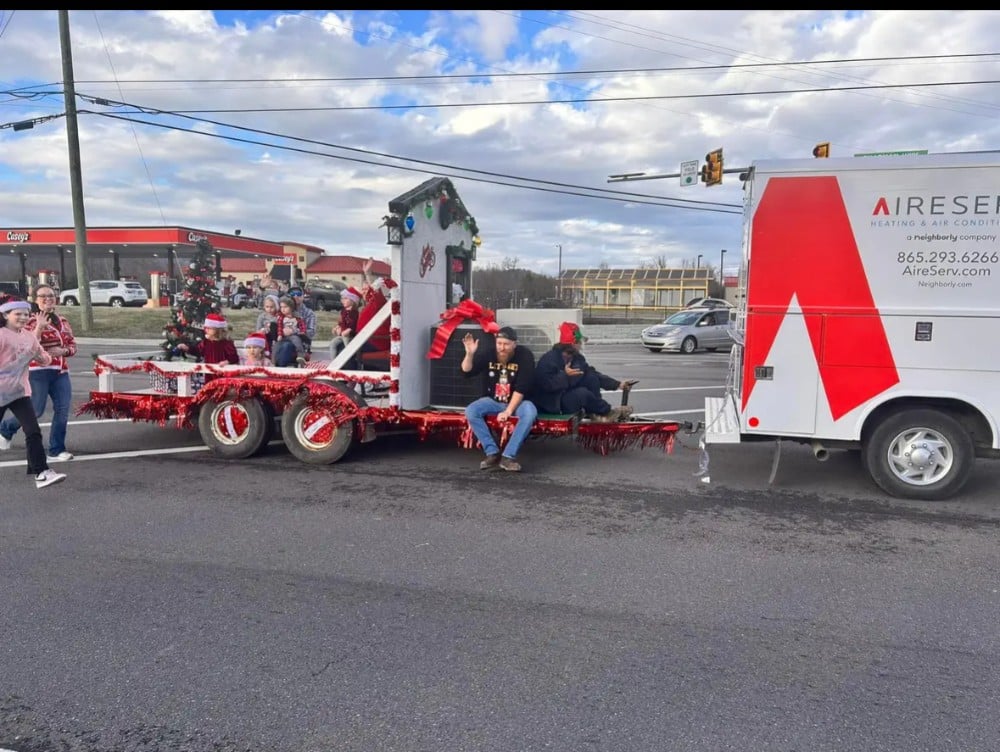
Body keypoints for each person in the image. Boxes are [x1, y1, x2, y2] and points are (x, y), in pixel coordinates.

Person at [0, 285, 77, 461]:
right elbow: (26, 345)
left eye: (51, 295)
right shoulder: (27, 319)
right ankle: (6, 429)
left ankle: (57, 449)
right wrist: (40, 328)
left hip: (60, 371)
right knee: (35, 410)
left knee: (63, 410)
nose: (48, 299)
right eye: (43, 296)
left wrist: (64, 352)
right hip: (37, 371)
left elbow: (72, 345)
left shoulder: (62, 321)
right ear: (35, 299)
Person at [0, 299, 66, 488]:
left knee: (33, 431)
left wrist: (45, 355)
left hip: (19, 392)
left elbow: (43, 358)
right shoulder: (2, 336)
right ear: (5, 315)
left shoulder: (29, 336)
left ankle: (42, 472)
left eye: (25, 314)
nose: (22, 317)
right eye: (17, 314)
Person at [461, 325, 537, 472]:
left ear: (515, 344)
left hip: (517, 402)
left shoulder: (524, 356)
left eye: (506, 344)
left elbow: (522, 388)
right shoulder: (489, 354)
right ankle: (492, 452)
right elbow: (466, 372)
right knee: (472, 410)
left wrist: (508, 411)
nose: (502, 348)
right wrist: (469, 354)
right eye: (499, 343)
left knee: (529, 412)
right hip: (494, 400)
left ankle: (508, 456)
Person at [533, 321, 636, 422]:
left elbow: (592, 374)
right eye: (579, 342)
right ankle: (606, 412)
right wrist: (564, 375)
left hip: (565, 395)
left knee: (591, 378)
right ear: (573, 344)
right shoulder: (549, 359)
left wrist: (618, 384)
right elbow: (546, 385)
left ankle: (597, 414)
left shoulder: (577, 358)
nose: (581, 345)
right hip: (554, 403)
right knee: (582, 394)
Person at [173, 312, 239, 364]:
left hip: (222, 374)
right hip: (209, 373)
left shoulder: (226, 343)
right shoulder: (206, 342)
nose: (206, 330)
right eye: (206, 328)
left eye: (209, 328)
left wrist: (227, 362)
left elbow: (234, 357)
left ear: (217, 330)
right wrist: (186, 348)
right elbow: (198, 351)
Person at [328, 286, 361, 363]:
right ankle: (334, 362)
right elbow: (341, 322)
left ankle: (349, 359)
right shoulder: (343, 311)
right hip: (342, 335)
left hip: (350, 336)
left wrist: (348, 330)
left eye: (346, 298)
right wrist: (337, 327)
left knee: (346, 343)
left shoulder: (354, 313)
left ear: (353, 300)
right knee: (333, 343)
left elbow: (353, 325)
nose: (343, 300)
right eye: (342, 298)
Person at [273, 296, 307, 366]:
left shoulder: (297, 317)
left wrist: (300, 331)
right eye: (281, 307)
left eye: (285, 307)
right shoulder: (280, 318)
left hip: (293, 335)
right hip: (283, 335)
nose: (283, 309)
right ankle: (273, 360)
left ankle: (301, 355)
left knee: (296, 340)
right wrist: (280, 334)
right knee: (277, 345)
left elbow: (301, 326)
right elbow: (279, 326)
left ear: (291, 307)